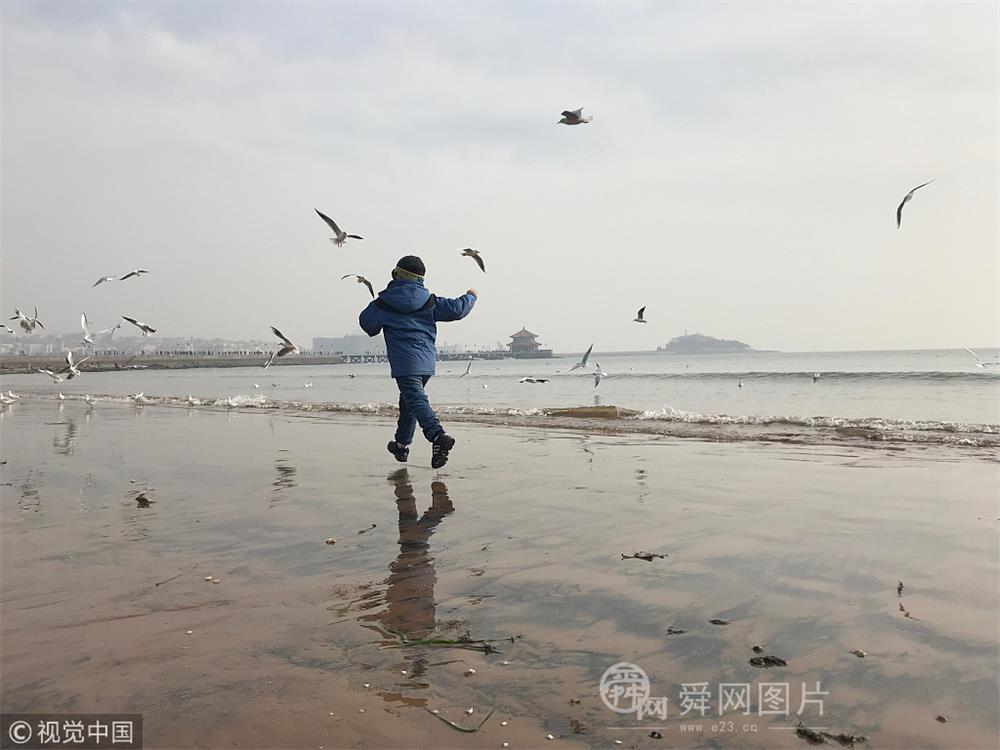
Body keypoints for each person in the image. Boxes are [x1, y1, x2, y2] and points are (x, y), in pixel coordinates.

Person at [359, 255, 477, 468]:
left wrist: (380, 314)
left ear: (396, 274)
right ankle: (401, 445)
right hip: (426, 363)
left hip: (404, 364)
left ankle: (437, 436)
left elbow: (367, 325)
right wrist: (471, 296)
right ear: (421, 279)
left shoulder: (383, 303)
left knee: (415, 400)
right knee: (409, 402)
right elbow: (458, 310)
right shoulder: (431, 301)